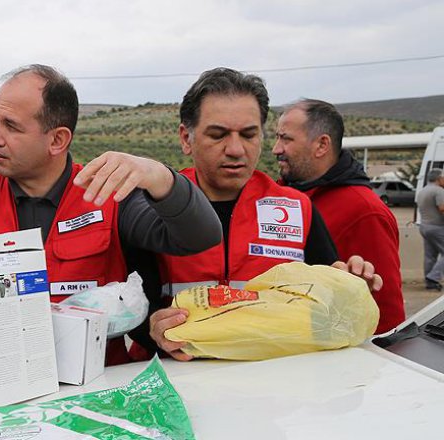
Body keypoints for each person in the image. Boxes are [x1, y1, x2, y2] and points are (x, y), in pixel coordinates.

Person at [0, 64, 222, 365]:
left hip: (98, 394)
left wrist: (159, 176)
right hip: (3, 394)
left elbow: (201, 235)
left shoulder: (110, 199)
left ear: (57, 140)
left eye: (11, 126)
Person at [141, 68, 382, 362]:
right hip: (183, 380)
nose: (235, 149)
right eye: (218, 135)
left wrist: (351, 284)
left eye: (249, 134)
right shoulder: (155, 207)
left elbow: (328, 306)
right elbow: (133, 309)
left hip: (280, 382)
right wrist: (152, 329)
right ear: (186, 138)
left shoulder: (297, 208)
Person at [274, 99, 405, 333]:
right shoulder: (282, 197)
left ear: (322, 145)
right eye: (277, 138)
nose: (276, 149)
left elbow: (386, 315)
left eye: (286, 139)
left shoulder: (364, 210)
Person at [416, 168, 444, 291]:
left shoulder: (422, 191)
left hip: (424, 226)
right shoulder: (439, 191)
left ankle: (429, 282)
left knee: (430, 255)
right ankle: (433, 277)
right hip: (437, 227)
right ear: (439, 178)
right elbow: (442, 208)